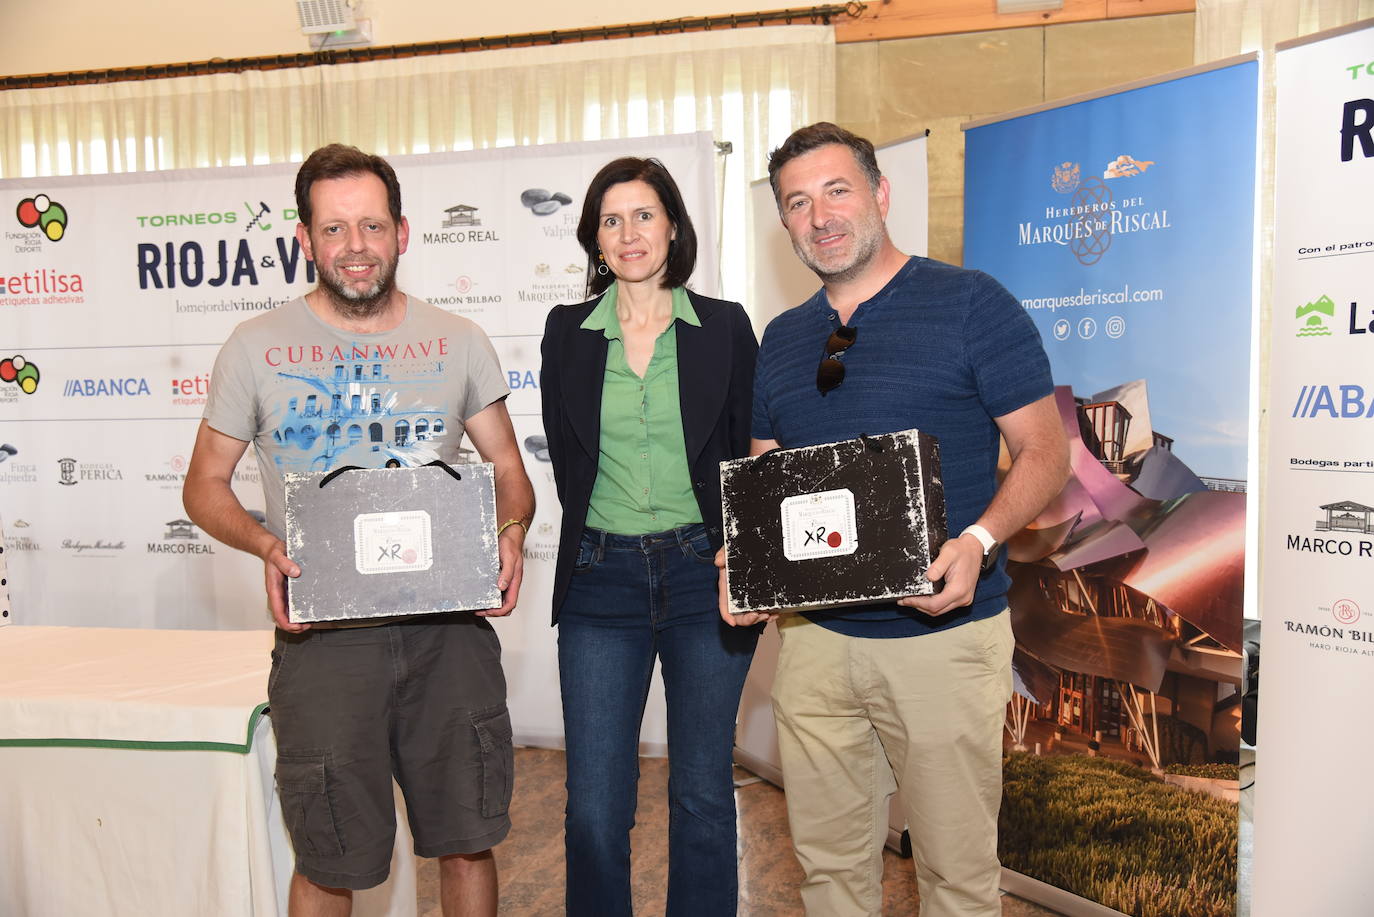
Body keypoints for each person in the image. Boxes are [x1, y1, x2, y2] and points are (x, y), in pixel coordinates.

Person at [720, 123, 1069, 917]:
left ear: (880, 194)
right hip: (814, 647)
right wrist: (742, 565)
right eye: (798, 203)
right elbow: (769, 485)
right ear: (785, 224)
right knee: (831, 874)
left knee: (956, 876)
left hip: (943, 646)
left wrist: (979, 541)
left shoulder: (972, 303)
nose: (820, 216)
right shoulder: (781, 339)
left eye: (837, 190)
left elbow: (1047, 453)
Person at [183, 144, 534, 917]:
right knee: (329, 853)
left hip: (448, 632)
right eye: (334, 228)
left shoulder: (459, 339)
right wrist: (265, 544)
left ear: (402, 233)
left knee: (466, 836)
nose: (355, 246)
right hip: (324, 641)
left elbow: (509, 465)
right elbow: (203, 487)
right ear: (304, 240)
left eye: (371, 225)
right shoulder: (253, 346)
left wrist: (508, 530)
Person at [540, 157, 760, 917]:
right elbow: (567, 462)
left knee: (701, 792)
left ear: (673, 225)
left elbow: (746, 454)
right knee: (594, 808)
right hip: (601, 582)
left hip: (708, 575)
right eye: (611, 219)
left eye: (643, 215)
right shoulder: (566, 332)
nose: (628, 233)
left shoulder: (726, 327)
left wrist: (745, 560)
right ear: (594, 240)